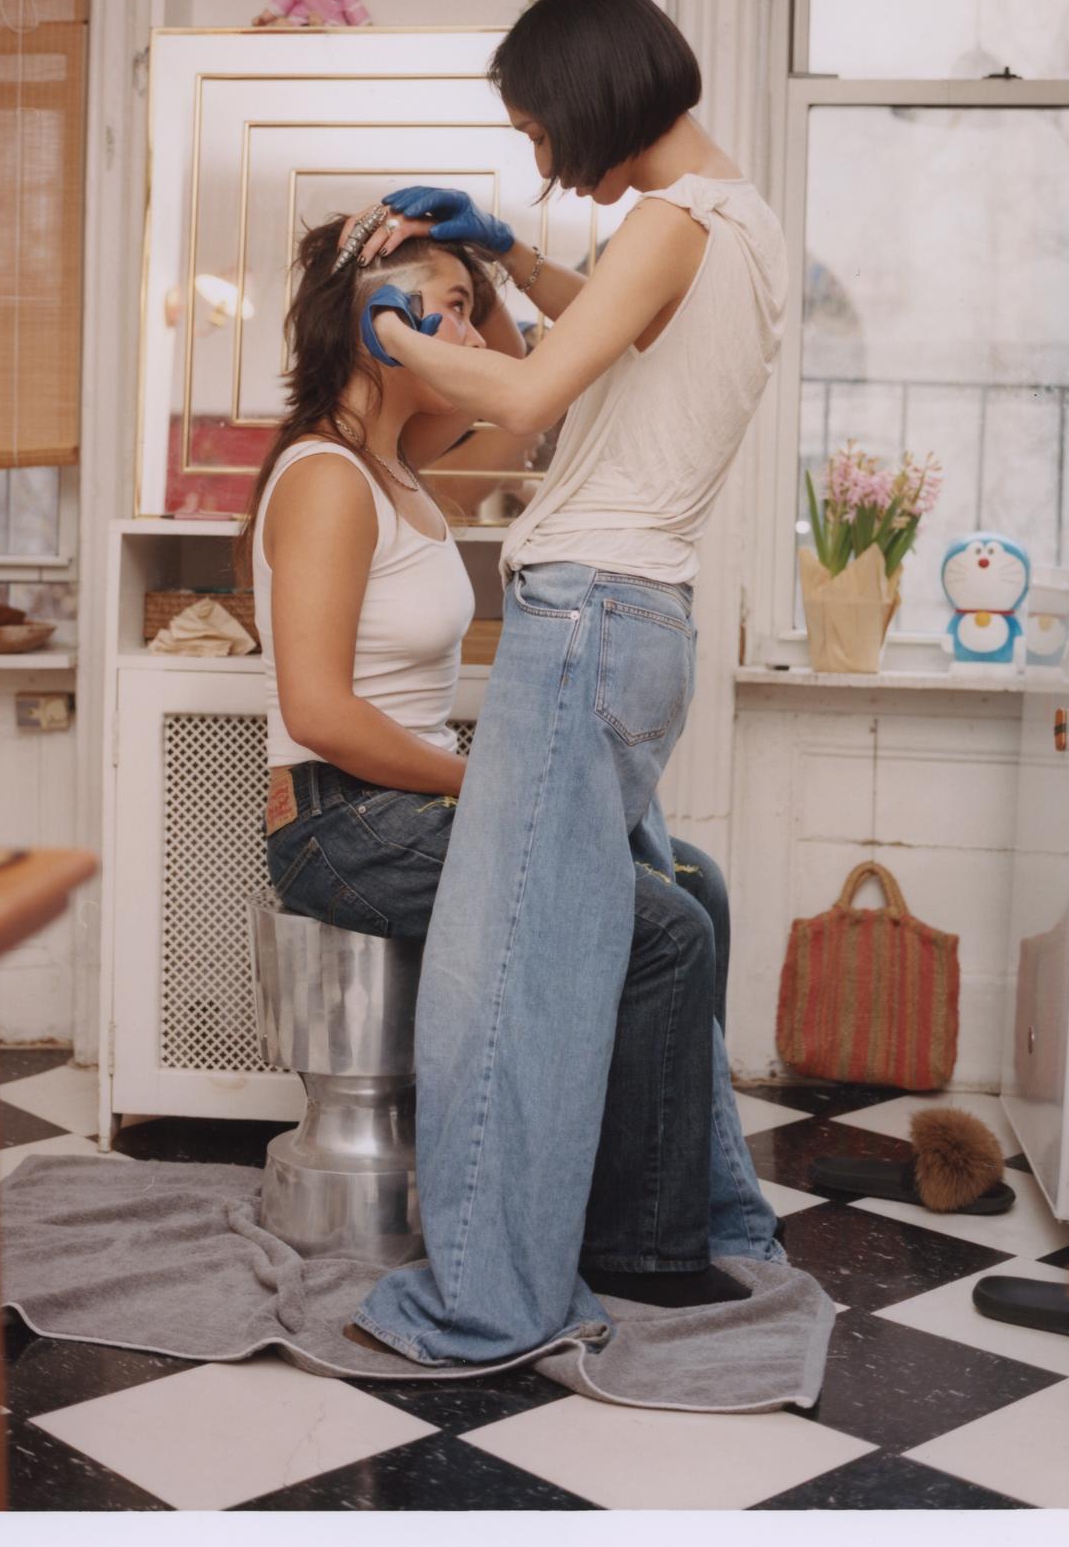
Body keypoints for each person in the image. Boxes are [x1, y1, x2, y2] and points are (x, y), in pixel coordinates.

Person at [343, 0, 792, 1365]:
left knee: (512, 974)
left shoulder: (672, 222)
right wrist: (514, 259)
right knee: (602, 938)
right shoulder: (740, 222)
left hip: (584, 616)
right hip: (644, 621)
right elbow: (611, 345)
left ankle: (487, 1297)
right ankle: (690, 1221)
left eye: (539, 131)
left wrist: (400, 329)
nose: (538, 159)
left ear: (594, 101)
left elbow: (534, 395)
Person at [240, 217, 751, 1299]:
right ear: (374, 322)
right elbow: (320, 712)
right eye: (450, 305)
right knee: (661, 925)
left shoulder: (406, 473)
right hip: (341, 828)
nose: (475, 328)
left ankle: (658, 1202)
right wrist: (496, 785)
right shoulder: (328, 478)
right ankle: (638, 1247)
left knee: (692, 879)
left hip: (398, 810)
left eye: (473, 307)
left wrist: (490, 263)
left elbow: (539, 392)